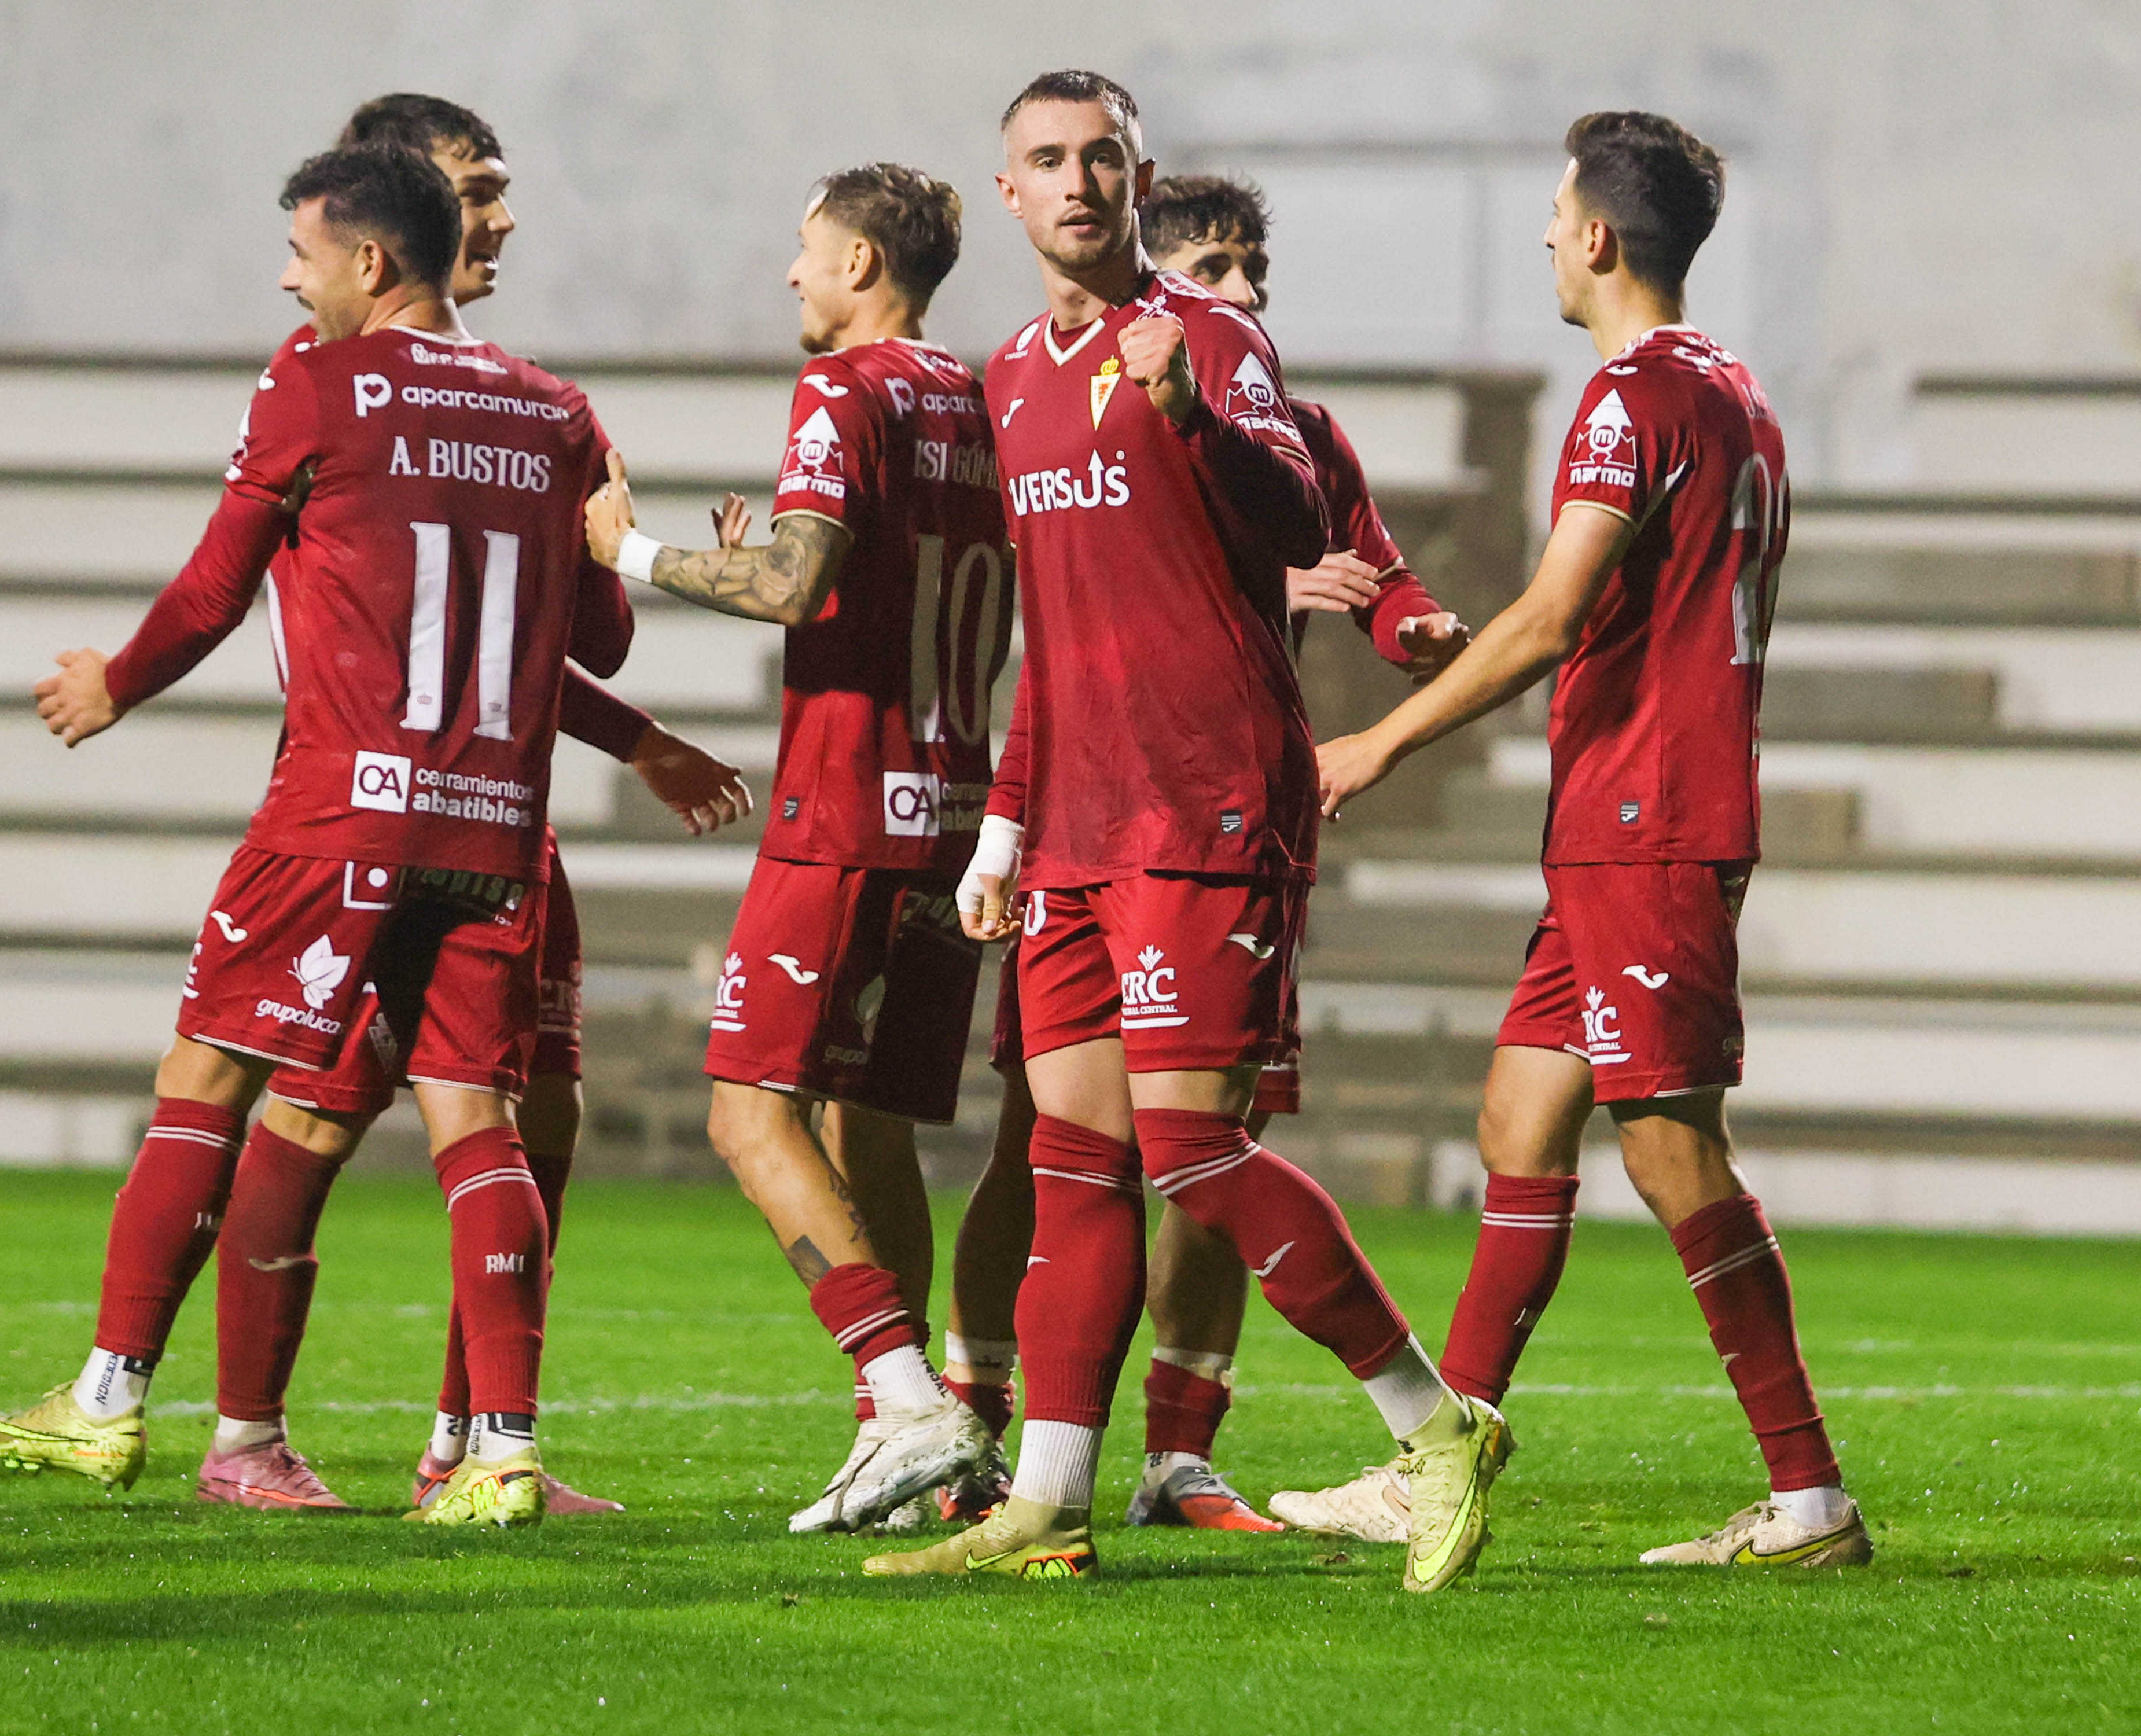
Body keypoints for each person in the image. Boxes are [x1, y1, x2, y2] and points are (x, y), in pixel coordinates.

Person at [862, 70, 1505, 1594]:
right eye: (1047, 161)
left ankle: (1433, 1426)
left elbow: (1299, 519)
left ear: (1137, 181)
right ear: (1008, 192)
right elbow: (1050, 628)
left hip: (1207, 798)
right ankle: (1050, 1502)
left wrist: (1189, 416)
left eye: (1103, 158)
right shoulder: (1008, 376)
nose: (1077, 182)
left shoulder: (1211, 341)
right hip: (1076, 817)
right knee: (1076, 1164)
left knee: (1193, 1157)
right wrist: (1003, 831)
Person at [0, 142, 635, 1530]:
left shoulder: (317, 384)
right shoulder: (558, 410)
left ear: (370, 262)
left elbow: (221, 581)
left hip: (340, 810)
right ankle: (495, 1451)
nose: (289, 277)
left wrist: (118, 683)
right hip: (498, 823)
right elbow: (603, 632)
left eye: (302, 253)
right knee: (480, 1121)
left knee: (205, 1069)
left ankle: (104, 1404)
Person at [1282, 111, 1872, 1569]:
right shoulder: (1737, 393)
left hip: (1646, 821)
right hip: (1627, 820)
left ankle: (1809, 1500)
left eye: (1556, 214)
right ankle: (1446, 1450)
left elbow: (1551, 618)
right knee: (1518, 1124)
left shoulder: (1626, 402)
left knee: (1674, 1154)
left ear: (1599, 238)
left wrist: (1373, 740)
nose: (1548, 234)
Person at [192, 94, 748, 1518]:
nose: (497, 216)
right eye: (474, 187)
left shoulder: (528, 397)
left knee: (529, 1118)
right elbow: (411, 644)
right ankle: (236, 1431)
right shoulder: (323, 379)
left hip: (503, 819)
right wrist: (641, 731)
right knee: (315, 1119)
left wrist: (612, 558)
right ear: (395, 222)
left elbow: (581, 638)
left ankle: (477, 1447)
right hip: (372, 817)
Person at [584, 163, 1007, 1533]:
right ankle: (920, 1440)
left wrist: (632, 552)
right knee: (865, 1124)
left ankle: (907, 1400)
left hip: (845, 814)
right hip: (950, 816)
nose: (793, 275)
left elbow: (795, 582)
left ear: (866, 268)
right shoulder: (986, 400)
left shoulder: (849, 390)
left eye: (808, 252)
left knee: (743, 1109)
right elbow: (866, 583)